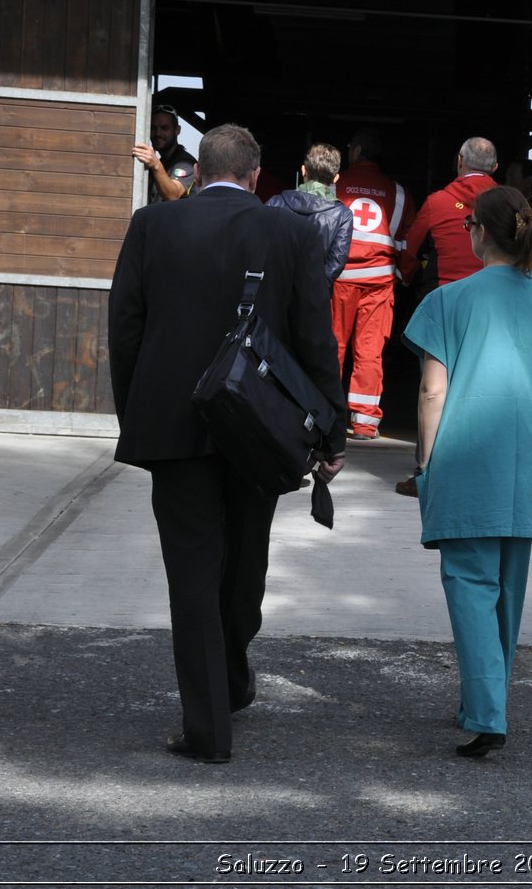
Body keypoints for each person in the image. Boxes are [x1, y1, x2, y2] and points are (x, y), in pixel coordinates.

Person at [109, 124, 347, 763]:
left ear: (199, 170)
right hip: (260, 426)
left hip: (174, 424)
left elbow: (125, 328)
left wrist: (135, 413)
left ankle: (209, 725)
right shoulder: (291, 232)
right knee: (245, 562)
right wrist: (331, 429)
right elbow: (314, 338)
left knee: (191, 574)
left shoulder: (152, 225)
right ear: (253, 174)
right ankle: (234, 671)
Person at [403, 185, 532, 758]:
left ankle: (487, 715)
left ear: (477, 232)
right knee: (507, 592)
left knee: (469, 587)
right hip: (521, 464)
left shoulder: (448, 301)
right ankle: (486, 702)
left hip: (463, 460)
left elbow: (434, 391)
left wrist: (424, 461)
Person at [333, 127, 413, 441]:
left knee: (333, 347)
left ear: (356, 151)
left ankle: (325, 417)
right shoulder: (400, 193)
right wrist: (404, 274)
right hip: (379, 283)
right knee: (370, 351)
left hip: (339, 280)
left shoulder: (336, 185)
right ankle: (365, 423)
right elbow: (407, 242)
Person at [397, 137, 500, 291]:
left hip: (445, 295)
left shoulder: (436, 202)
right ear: (495, 167)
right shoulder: (510, 203)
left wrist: (404, 278)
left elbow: (412, 248)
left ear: (460, 160)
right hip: (493, 294)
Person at [267, 142, 354, 289]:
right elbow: (336, 263)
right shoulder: (343, 215)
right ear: (335, 179)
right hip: (313, 298)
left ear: (303, 170)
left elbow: (260, 247)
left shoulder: (275, 202)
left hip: (273, 290)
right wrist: (314, 292)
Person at [131, 104, 197, 203]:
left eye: (164, 128)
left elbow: (173, 195)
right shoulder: (162, 162)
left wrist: (156, 165)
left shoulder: (186, 164)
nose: (158, 133)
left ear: (177, 130)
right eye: (153, 128)